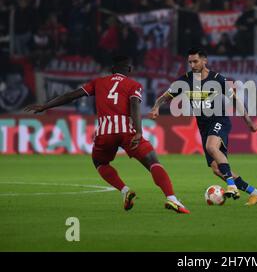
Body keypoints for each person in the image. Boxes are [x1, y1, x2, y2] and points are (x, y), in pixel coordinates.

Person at [24, 55, 189, 214]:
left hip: (105, 133)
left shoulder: (98, 82)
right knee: (152, 162)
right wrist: (138, 131)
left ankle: (125, 190)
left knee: (99, 163)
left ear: (111, 69)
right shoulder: (134, 85)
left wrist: (45, 106)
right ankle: (171, 198)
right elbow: (134, 105)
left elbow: (71, 95)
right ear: (129, 69)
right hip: (127, 132)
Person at [149, 47, 257, 206]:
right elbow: (166, 96)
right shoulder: (185, 80)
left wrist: (249, 121)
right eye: (190, 62)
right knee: (217, 169)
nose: (192, 65)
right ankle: (255, 193)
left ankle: (232, 186)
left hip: (219, 119)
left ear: (204, 61)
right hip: (204, 126)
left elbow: (235, 100)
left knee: (212, 147)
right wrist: (156, 106)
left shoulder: (218, 79)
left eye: (195, 61)